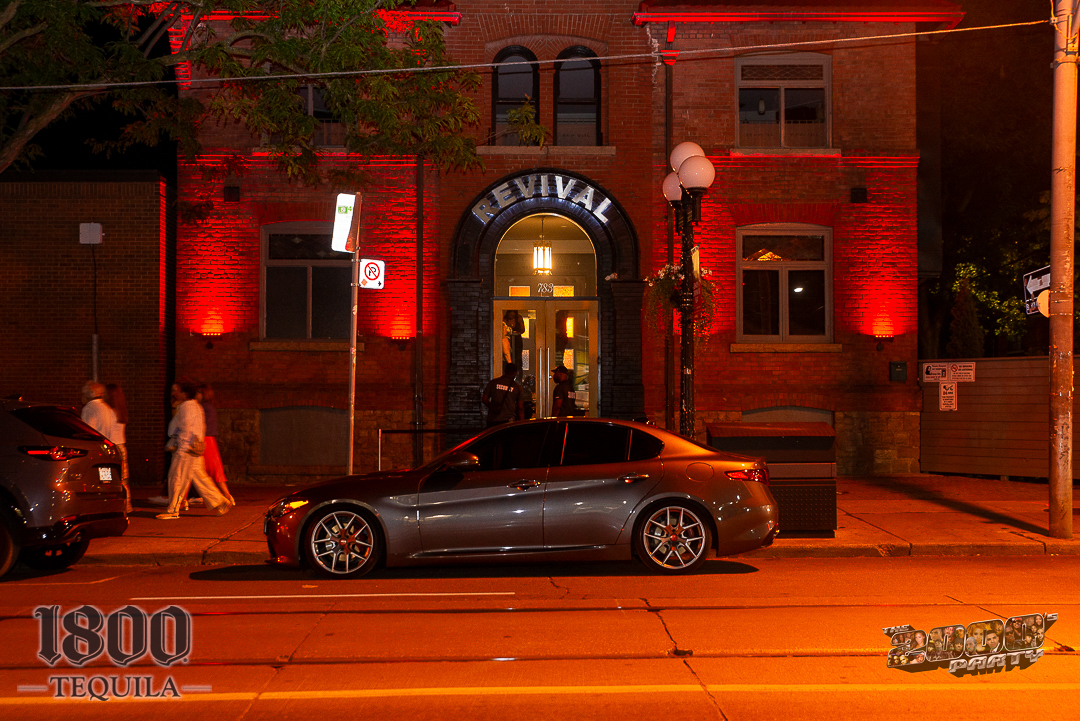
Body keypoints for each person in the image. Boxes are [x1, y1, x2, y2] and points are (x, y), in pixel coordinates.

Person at [156, 382, 233, 520]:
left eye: (177, 391)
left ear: (184, 393)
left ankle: (173, 509)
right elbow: (200, 427)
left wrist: (180, 444)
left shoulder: (185, 406)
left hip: (185, 449)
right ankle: (220, 502)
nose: (175, 393)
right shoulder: (197, 406)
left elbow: (183, 428)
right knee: (200, 479)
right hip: (196, 448)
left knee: (176, 478)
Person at [197, 384, 235, 505]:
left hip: (205, 439)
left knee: (204, 469)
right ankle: (226, 495)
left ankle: (224, 497)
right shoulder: (208, 407)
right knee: (214, 469)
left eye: (199, 392)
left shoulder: (202, 407)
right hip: (209, 439)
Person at [104, 383, 133, 513]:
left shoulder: (109, 412)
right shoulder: (121, 411)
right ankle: (127, 505)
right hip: (122, 446)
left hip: (113, 446)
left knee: (112, 479)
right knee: (124, 479)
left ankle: (117, 506)